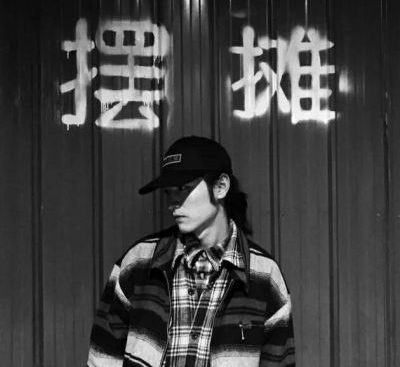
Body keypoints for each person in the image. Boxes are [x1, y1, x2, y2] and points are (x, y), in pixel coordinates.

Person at [87, 136, 295, 367]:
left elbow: (279, 361)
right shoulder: (138, 262)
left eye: (183, 189)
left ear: (221, 186)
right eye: (168, 192)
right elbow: (102, 357)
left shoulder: (265, 276)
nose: (172, 203)